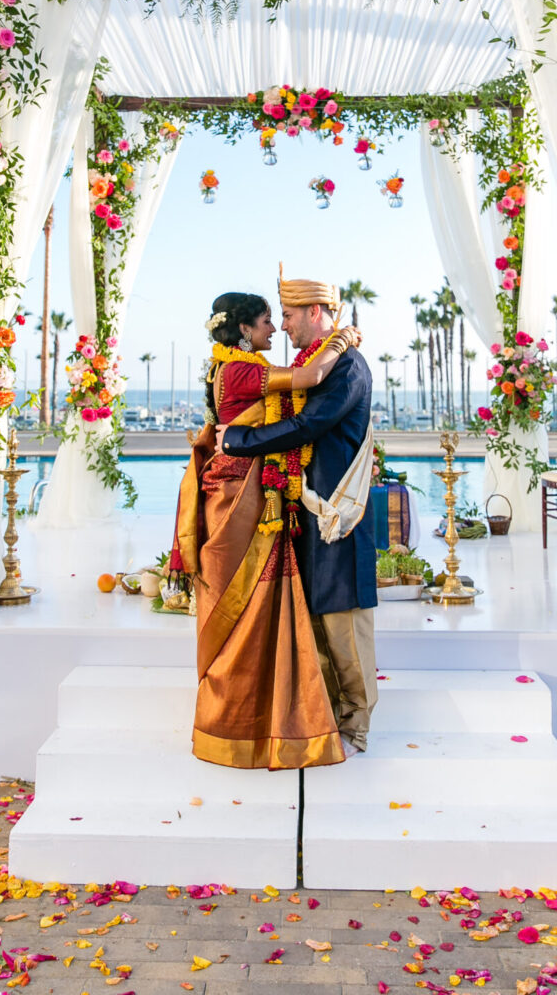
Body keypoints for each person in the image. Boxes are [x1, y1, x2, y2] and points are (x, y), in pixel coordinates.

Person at [171, 290, 360, 771]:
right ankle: (248, 721)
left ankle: (252, 717)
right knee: (249, 603)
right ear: (242, 330)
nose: (274, 330)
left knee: (249, 605)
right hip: (241, 494)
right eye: (265, 322)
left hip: (236, 489)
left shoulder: (225, 367)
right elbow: (311, 378)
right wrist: (342, 339)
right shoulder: (243, 370)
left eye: (281, 319)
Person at [216, 270, 378, 757]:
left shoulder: (345, 366)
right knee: (316, 618)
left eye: (287, 315)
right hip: (306, 512)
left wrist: (238, 440)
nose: (282, 325)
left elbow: (308, 425)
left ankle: (359, 724)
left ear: (314, 313)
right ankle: (326, 718)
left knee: (344, 621)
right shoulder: (316, 365)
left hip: (336, 511)